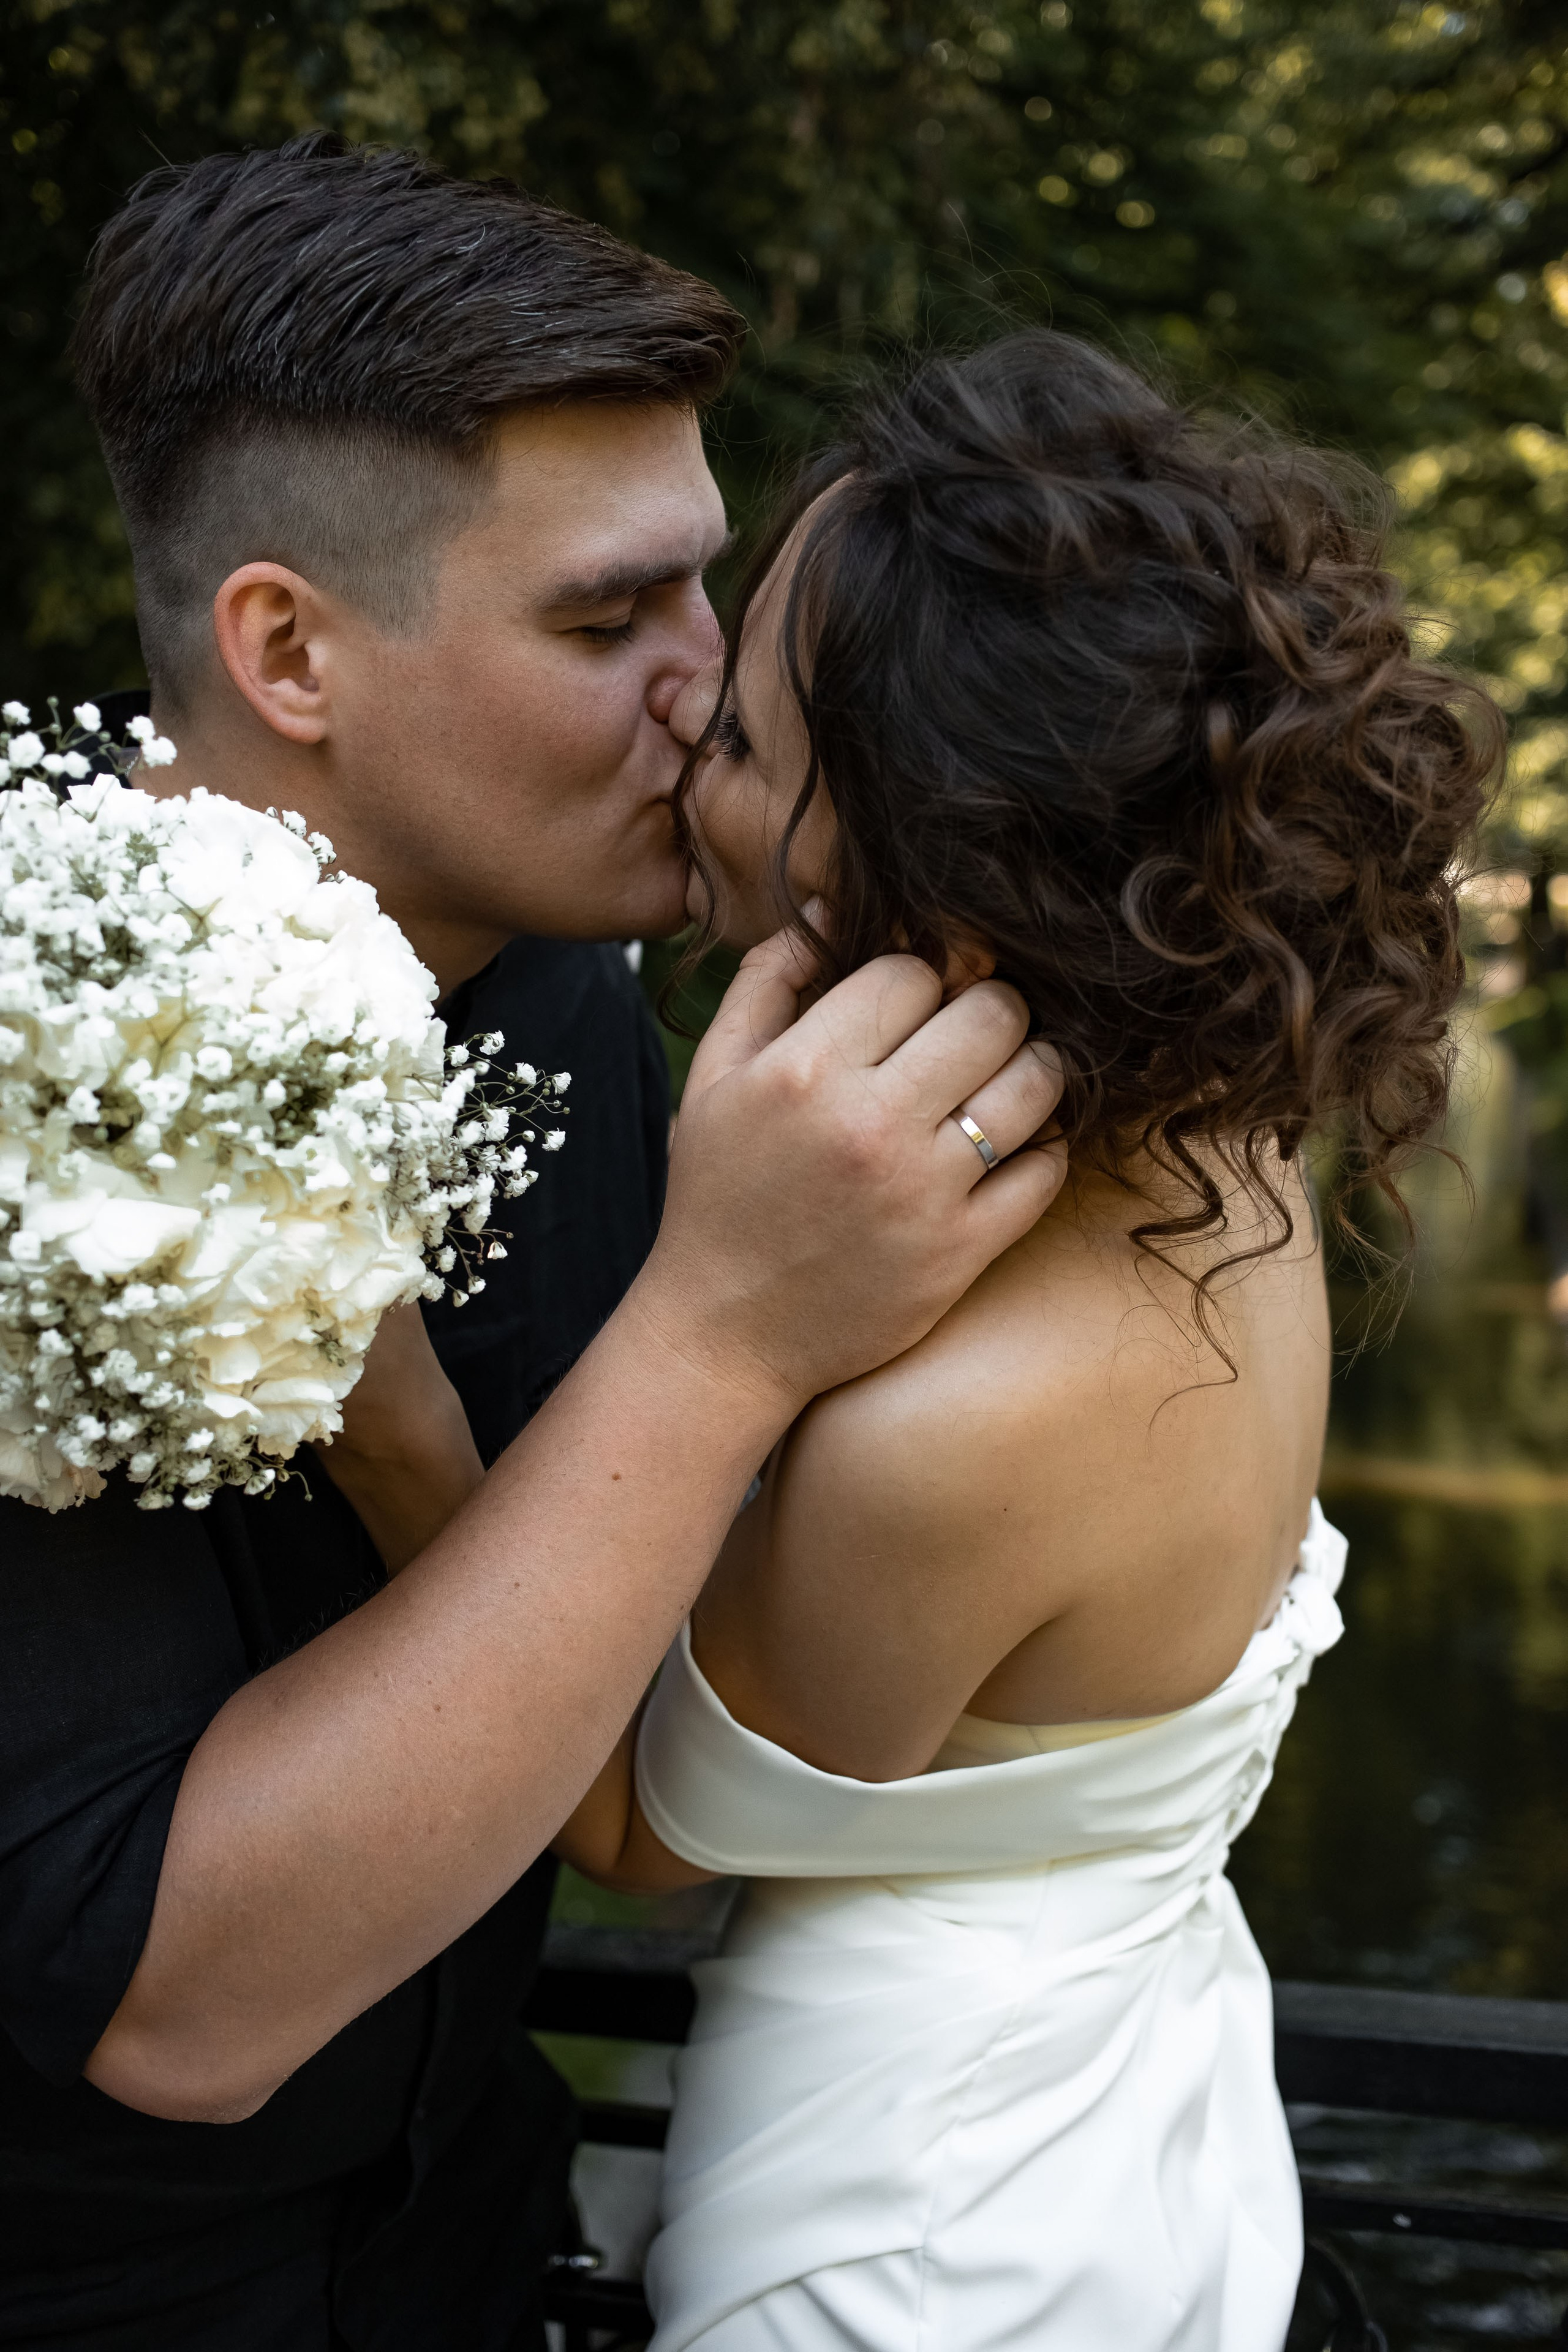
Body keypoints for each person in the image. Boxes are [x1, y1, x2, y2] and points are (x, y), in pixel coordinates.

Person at [0, 140, 1066, 2352]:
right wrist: (716, 1338)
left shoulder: (590, 995)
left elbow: (658, 1734)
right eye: (607, 621)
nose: (716, 686)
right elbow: (178, 2007)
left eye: (704, 587)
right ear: (287, 647)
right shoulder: (35, 1079)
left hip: (482, 2261)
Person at [546, 335, 1502, 2348]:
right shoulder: (1226, 1144)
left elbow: (630, 1823)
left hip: (917, 2233)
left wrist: (402, 1422)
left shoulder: (965, 1421)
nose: (681, 735)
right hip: (1133, 2115)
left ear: (939, 899)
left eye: (739, 743)